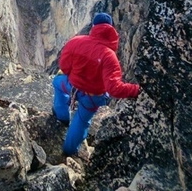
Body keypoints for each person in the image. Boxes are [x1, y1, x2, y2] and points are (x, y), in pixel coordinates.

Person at [52, 12, 141, 157]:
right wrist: (137, 90)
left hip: (71, 86)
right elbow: (114, 89)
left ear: (93, 27)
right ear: (111, 29)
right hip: (92, 98)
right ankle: (69, 151)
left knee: (57, 82)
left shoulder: (76, 42)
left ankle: (62, 116)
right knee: (81, 121)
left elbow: (64, 66)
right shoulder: (109, 56)